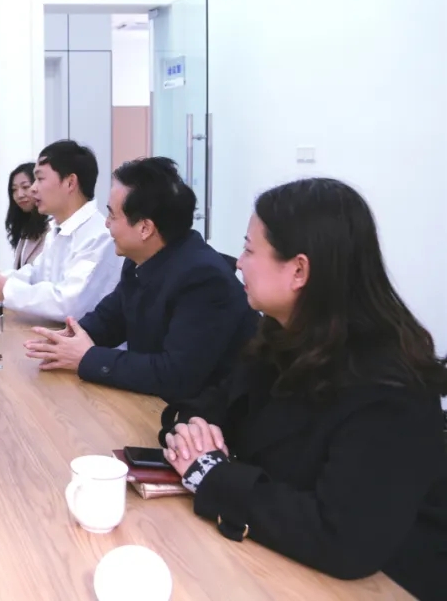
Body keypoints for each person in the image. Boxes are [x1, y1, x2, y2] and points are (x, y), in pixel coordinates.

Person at [158, 178, 447, 599]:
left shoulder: (390, 389)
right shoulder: (281, 334)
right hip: (271, 560)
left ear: (298, 270)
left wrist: (210, 474)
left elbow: (343, 539)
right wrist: (192, 430)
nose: (238, 263)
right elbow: (211, 402)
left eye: (249, 250)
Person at [24, 157, 257, 402]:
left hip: (206, 415)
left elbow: (176, 375)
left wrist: (86, 357)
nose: (106, 223)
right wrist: (68, 339)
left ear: (145, 228)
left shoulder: (204, 279)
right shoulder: (141, 258)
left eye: (112, 215)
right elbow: (111, 318)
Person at [0, 140, 121, 323]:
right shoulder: (57, 228)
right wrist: (0, 279)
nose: (33, 188)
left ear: (70, 183)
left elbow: (68, 304)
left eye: (40, 179)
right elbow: (36, 273)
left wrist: (8, 289)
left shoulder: (99, 236)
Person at [5, 162, 48, 269]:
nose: (19, 195)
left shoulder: (52, 228)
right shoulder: (25, 226)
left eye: (25, 187)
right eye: (14, 190)